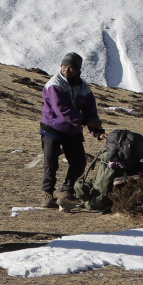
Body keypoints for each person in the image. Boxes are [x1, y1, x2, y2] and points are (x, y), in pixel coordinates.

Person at [39, 51, 103, 210]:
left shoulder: (83, 87)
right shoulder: (55, 84)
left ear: (78, 70)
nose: (66, 70)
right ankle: (47, 194)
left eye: (71, 68)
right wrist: (85, 121)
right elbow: (62, 111)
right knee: (51, 162)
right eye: (64, 66)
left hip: (72, 130)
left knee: (79, 162)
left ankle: (66, 191)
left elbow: (90, 110)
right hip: (52, 128)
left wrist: (97, 131)